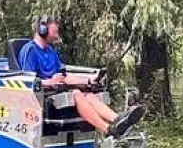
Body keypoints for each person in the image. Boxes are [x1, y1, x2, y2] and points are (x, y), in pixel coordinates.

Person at [16, 16, 144, 138]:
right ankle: (108, 130)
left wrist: (89, 80)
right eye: (54, 31)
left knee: (88, 95)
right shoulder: (30, 50)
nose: (57, 34)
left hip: (58, 90)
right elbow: (27, 80)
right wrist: (49, 82)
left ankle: (119, 120)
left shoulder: (50, 50)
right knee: (76, 93)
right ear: (42, 30)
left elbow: (64, 76)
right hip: (41, 95)